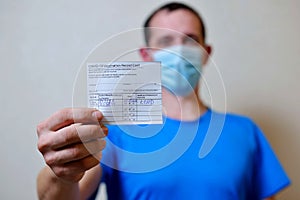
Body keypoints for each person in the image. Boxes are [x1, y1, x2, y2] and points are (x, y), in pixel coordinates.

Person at [36, 2, 290, 200]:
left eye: (190, 40)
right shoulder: (113, 134)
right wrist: (61, 171)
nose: (179, 51)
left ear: (206, 52)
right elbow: (65, 196)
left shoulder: (246, 132)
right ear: (147, 55)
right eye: (166, 41)